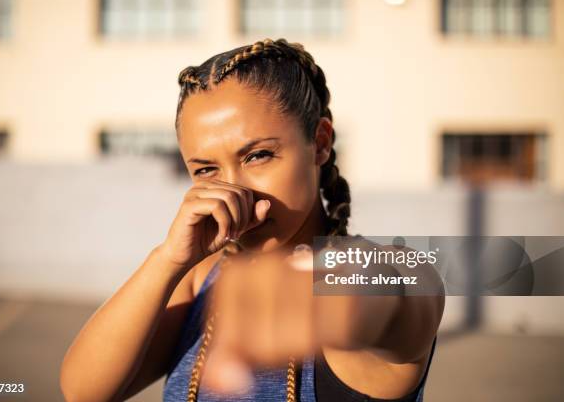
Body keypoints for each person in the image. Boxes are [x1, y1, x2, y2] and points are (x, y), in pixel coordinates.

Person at [59, 38, 445, 402]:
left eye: (258, 156)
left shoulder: (363, 265)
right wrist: (167, 260)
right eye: (207, 169)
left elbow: (408, 284)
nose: (235, 192)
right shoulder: (198, 279)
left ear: (321, 142)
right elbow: (83, 392)